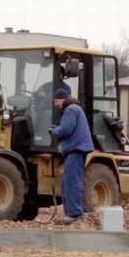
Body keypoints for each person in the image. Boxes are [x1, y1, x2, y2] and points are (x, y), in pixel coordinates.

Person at [49, 87, 94, 224]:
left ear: (63, 99)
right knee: (67, 182)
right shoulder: (74, 109)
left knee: (72, 181)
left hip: (76, 149)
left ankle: (74, 214)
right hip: (76, 149)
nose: (56, 105)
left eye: (56, 101)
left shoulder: (70, 110)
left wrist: (54, 131)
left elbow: (66, 129)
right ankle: (71, 213)